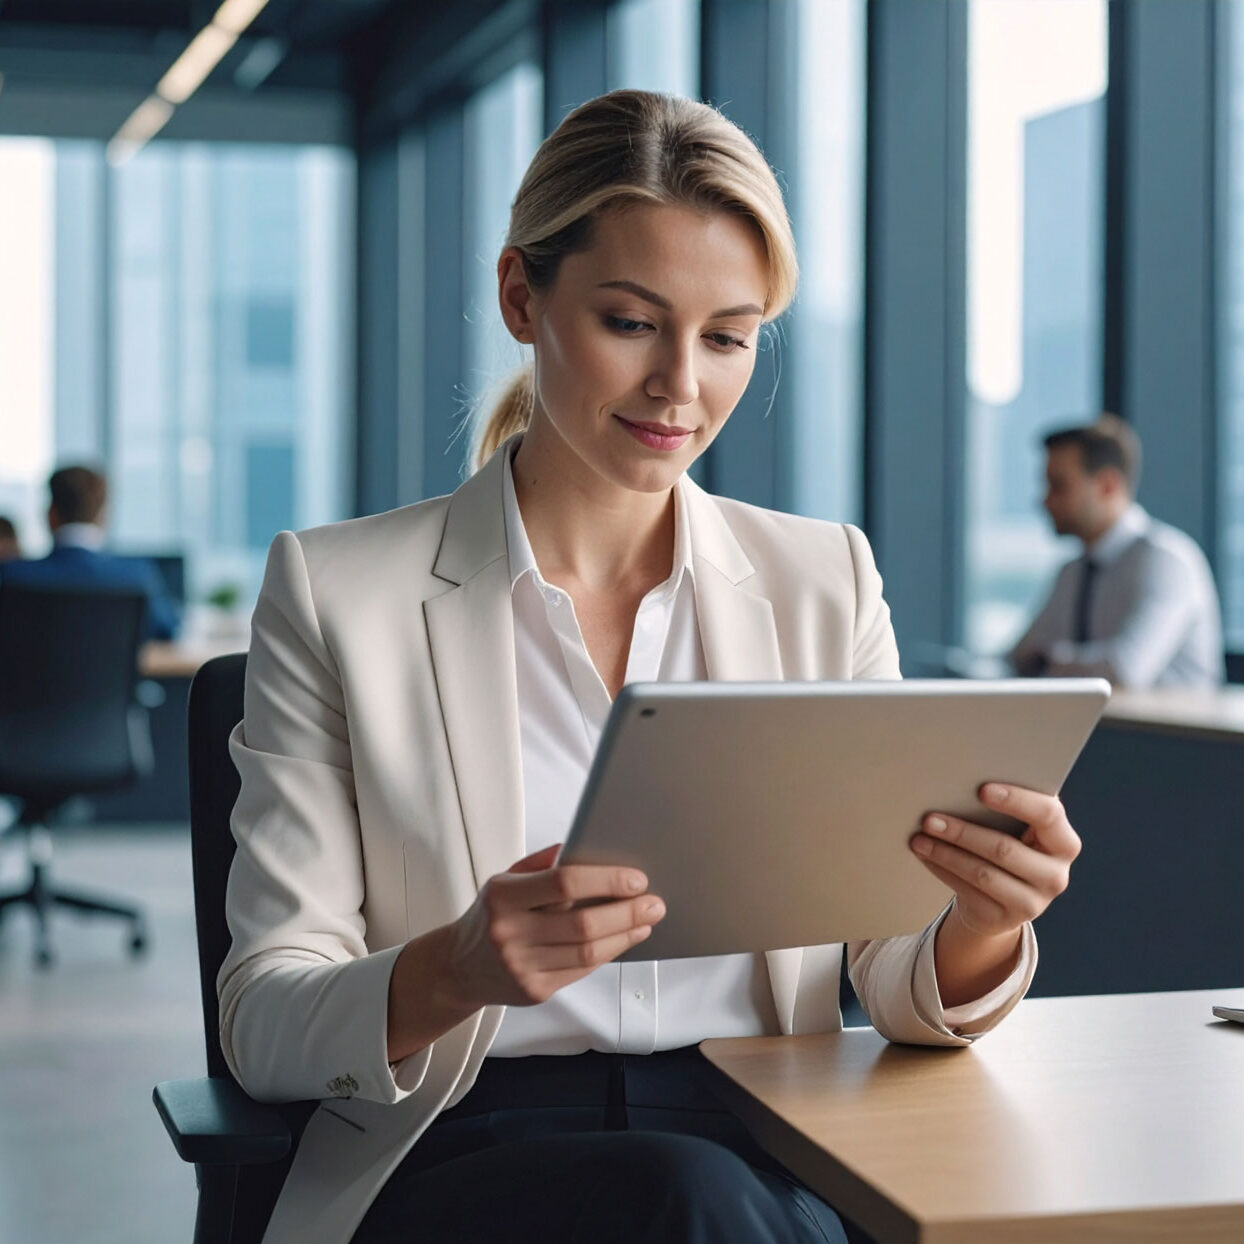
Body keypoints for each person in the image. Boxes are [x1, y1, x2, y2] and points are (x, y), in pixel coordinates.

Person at [220, 91, 1083, 1244]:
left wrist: (980, 919)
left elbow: (892, 971)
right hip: (460, 1143)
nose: (681, 384)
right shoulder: (341, 594)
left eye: (726, 337)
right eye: (631, 322)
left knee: (702, 1197)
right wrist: (456, 965)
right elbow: (265, 1016)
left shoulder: (821, 580)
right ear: (521, 297)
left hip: (771, 1138)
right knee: (678, 1201)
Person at [1010, 415, 1223, 688]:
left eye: (1059, 485)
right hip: (1095, 725)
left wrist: (1050, 658)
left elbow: (1124, 670)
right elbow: (1020, 657)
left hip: (1166, 729)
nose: (1045, 500)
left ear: (1108, 486)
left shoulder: (1166, 559)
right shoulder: (1073, 571)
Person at [0, 465, 179, 641]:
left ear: (51, 515)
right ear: (103, 517)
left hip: (30, 671)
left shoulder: (11, 576)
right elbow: (167, 629)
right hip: (112, 671)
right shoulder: (137, 577)